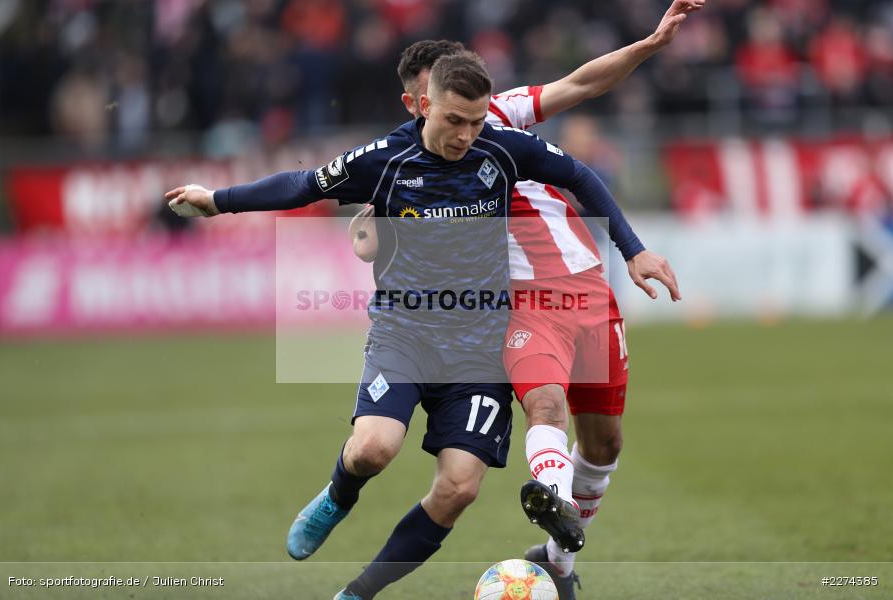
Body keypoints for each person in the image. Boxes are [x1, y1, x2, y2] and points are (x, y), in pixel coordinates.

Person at [165, 52, 650, 600]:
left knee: (460, 488)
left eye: (475, 122)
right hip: (407, 333)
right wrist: (217, 201)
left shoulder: (502, 147)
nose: (466, 135)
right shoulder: (384, 160)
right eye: (454, 121)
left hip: (479, 346)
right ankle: (338, 496)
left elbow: (578, 173)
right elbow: (303, 184)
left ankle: (358, 593)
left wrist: (632, 250)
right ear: (423, 107)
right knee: (373, 449)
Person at [346, 2, 700, 596]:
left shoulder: (499, 116)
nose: (457, 123)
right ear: (416, 102)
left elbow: (582, 82)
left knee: (605, 442)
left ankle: (559, 560)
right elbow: (368, 239)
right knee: (544, 404)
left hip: (587, 283)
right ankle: (549, 497)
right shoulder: (405, 164)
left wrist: (650, 45)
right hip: (523, 303)